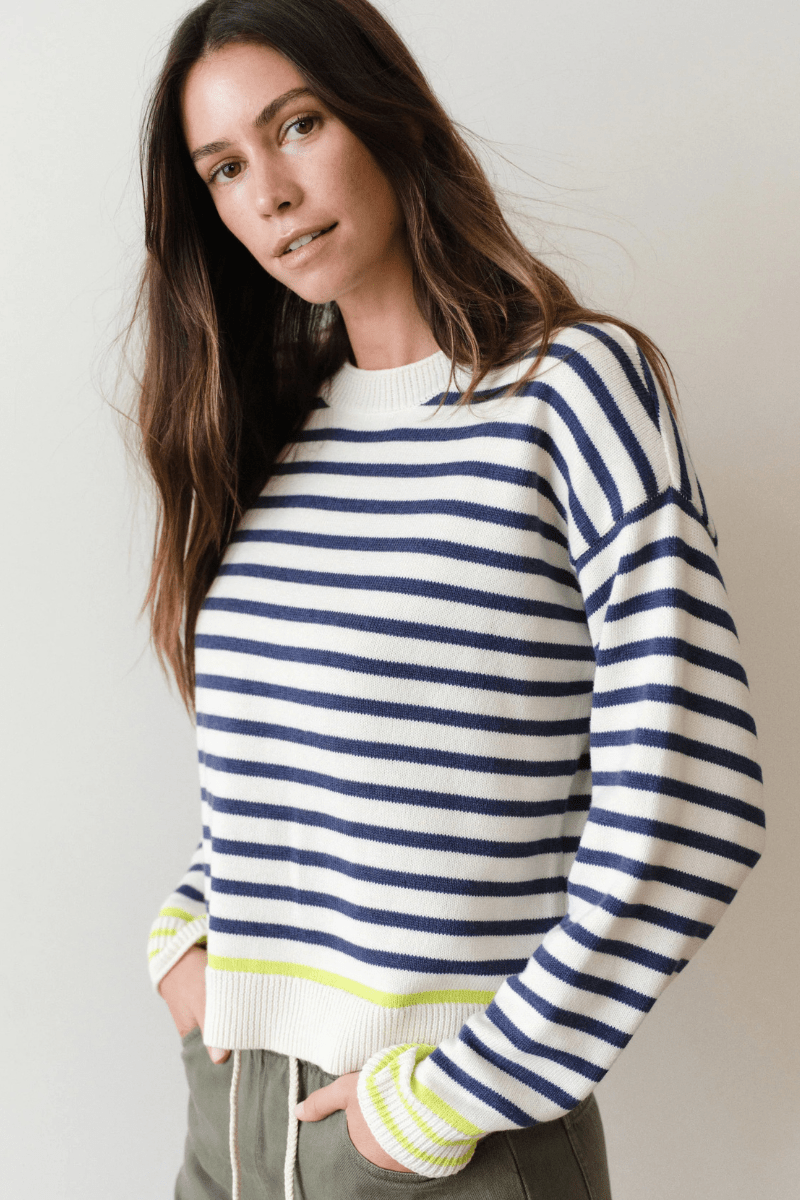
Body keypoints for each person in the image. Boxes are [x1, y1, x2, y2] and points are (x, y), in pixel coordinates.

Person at [135, 1, 765, 1197]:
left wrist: (447, 1099)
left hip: (441, 1139)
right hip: (230, 1122)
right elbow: (298, 766)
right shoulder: (270, 431)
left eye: (297, 126)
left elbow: (693, 795)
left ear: (384, 114)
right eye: (224, 167)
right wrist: (188, 931)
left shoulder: (569, 392)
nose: (269, 193)